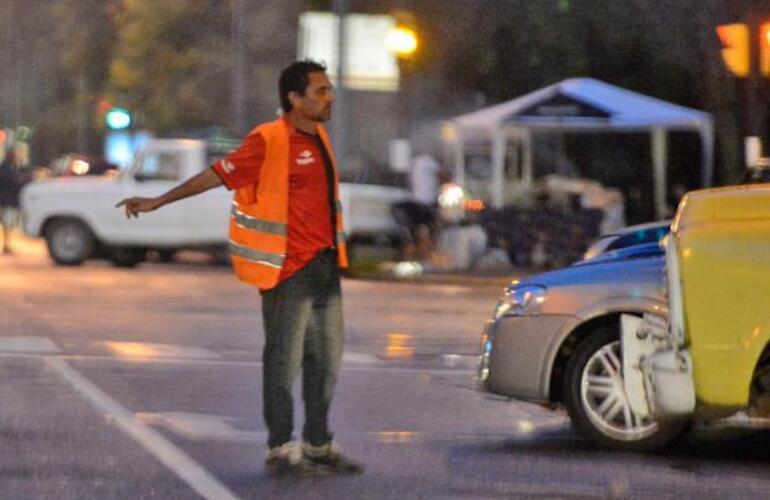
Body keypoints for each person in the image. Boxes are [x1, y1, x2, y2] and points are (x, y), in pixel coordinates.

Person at [116, 60, 363, 477]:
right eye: (320, 91)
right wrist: (159, 200)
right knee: (284, 363)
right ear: (294, 98)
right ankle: (281, 448)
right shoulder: (268, 140)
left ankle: (318, 445)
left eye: (328, 89)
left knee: (326, 362)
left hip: (324, 267)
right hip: (288, 271)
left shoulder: (319, 137)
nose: (329, 97)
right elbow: (217, 175)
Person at [391, 154, 442, 261]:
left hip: (418, 202)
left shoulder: (414, 162)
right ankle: (419, 245)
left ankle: (414, 242)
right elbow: (442, 175)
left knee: (419, 225)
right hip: (425, 203)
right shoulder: (430, 162)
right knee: (430, 225)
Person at [0, 150, 22, 254]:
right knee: (7, 223)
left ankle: (6, 244)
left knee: (7, 224)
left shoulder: (5, 166)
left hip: (5, 199)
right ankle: (6, 245)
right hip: (7, 200)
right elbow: (11, 182)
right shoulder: (8, 168)